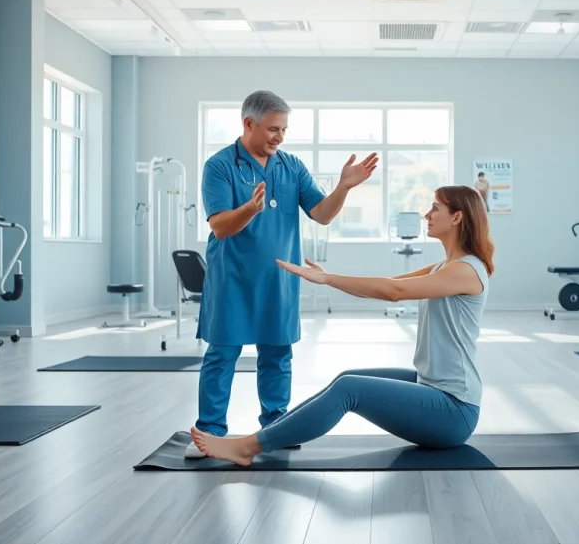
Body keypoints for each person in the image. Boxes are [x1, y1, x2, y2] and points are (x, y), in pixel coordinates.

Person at [189, 185, 495, 465]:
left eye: (435, 208)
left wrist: (326, 279)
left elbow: (394, 291)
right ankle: (271, 432)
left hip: (454, 409)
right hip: (431, 386)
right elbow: (385, 287)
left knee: (350, 390)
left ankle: (248, 448)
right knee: (346, 377)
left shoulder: (466, 271)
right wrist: (327, 277)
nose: (427, 215)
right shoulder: (445, 266)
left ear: (457, 217)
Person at [187, 90, 379, 459]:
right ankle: (210, 431)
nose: (279, 137)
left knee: (277, 354)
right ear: (249, 124)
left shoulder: (291, 166)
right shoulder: (220, 166)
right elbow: (221, 227)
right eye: (273, 129)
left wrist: (344, 187)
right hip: (233, 279)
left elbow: (321, 214)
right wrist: (249, 209)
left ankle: (275, 426)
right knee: (222, 354)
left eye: (284, 130)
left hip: (279, 280)